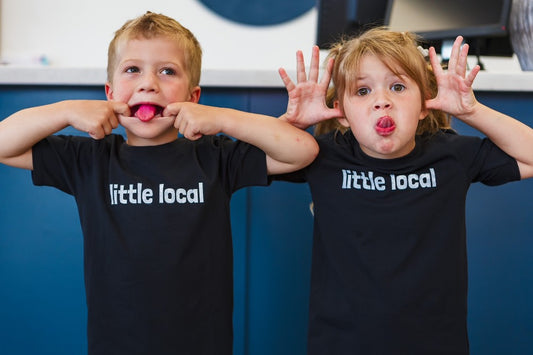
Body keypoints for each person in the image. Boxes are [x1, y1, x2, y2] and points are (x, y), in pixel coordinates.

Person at [0, 12, 318, 355]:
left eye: (167, 71)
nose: (148, 83)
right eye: (132, 69)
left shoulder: (215, 157)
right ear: (110, 92)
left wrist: (223, 118)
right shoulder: (89, 159)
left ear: (192, 97)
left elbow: (301, 151)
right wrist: (66, 110)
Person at [276, 27, 533, 354]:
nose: (382, 101)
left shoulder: (450, 154)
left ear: (425, 104)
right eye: (363, 91)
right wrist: (291, 127)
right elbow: (246, 159)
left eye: (398, 87)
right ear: (340, 110)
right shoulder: (322, 155)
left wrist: (471, 111)